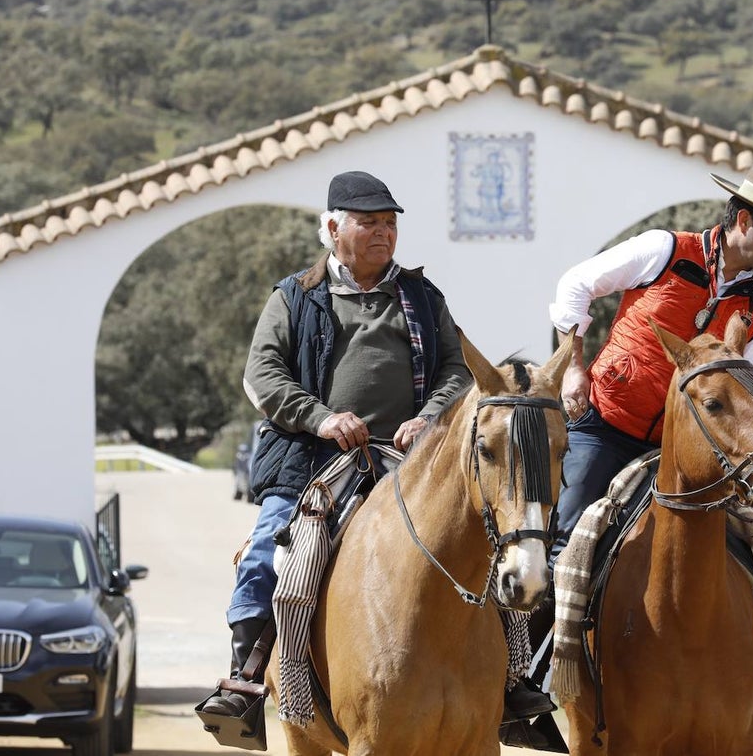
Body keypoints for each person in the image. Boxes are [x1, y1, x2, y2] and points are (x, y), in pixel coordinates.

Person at [199, 170, 550, 722]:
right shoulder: (295, 297)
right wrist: (320, 419)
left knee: (490, 538)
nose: (383, 233)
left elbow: (458, 370)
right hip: (313, 458)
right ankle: (246, 678)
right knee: (272, 550)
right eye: (369, 223)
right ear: (334, 228)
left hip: (411, 458)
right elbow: (262, 376)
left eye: (389, 223)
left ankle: (510, 677)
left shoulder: (421, 296)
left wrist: (429, 418)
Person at [545, 163, 753, 732]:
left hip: (693, 451)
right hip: (607, 425)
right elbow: (575, 285)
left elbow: (748, 394)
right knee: (565, 524)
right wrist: (573, 368)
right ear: (744, 220)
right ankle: (531, 675)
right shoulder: (662, 250)